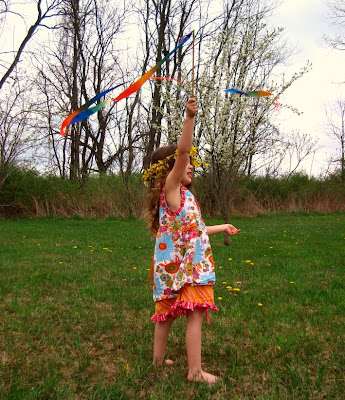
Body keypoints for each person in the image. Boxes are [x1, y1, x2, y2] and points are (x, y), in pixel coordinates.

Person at [143, 98, 240, 385]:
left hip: (174, 268)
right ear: (168, 170)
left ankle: (158, 362)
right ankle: (195, 372)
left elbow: (194, 231)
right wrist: (189, 118)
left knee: (166, 315)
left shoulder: (185, 198)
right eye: (184, 163)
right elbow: (184, 151)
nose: (190, 165)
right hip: (186, 269)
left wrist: (222, 228)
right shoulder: (171, 190)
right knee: (194, 314)